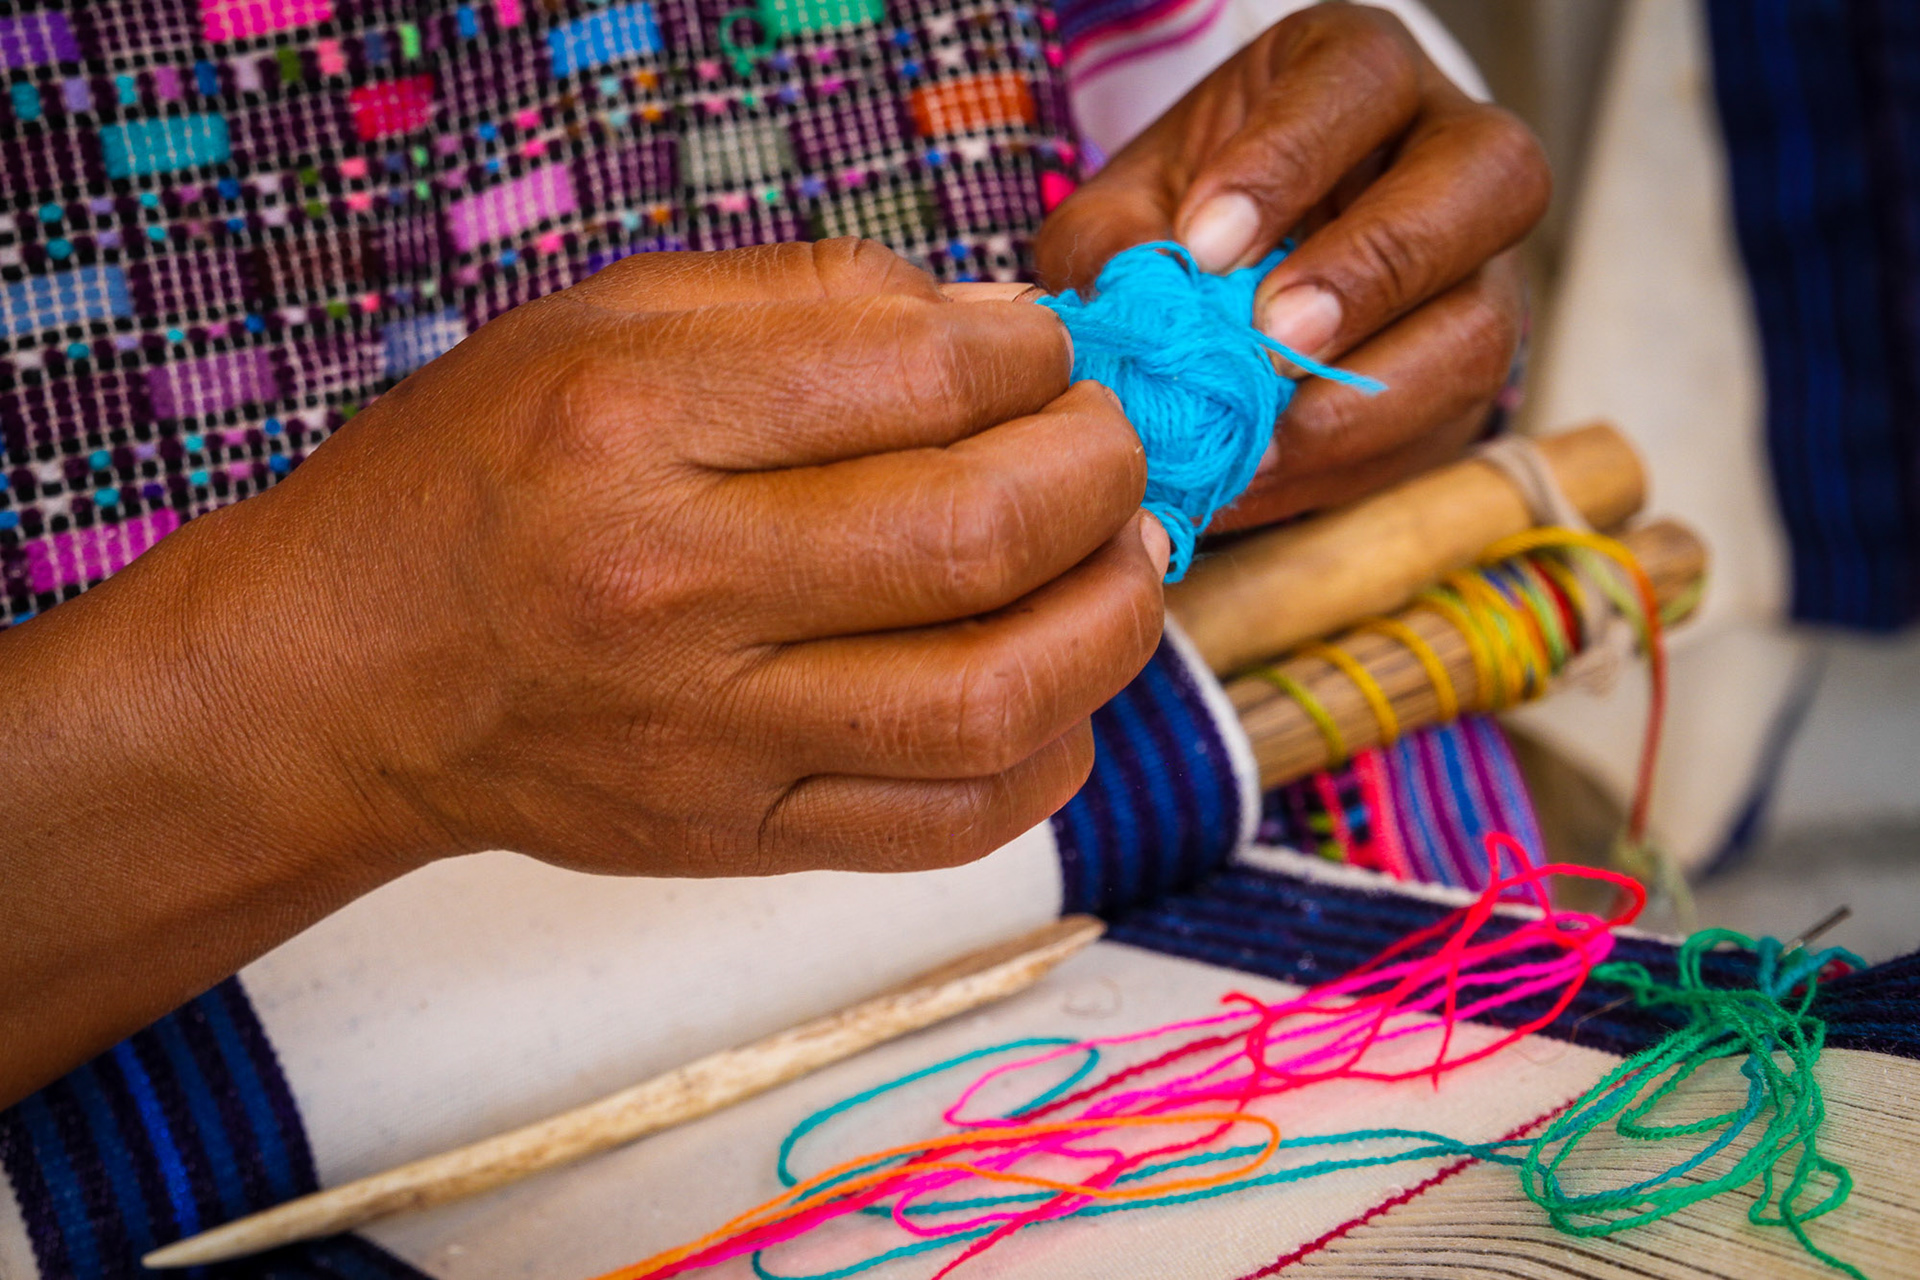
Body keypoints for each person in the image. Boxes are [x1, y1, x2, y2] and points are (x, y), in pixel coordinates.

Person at [0, 1, 1545, 1109]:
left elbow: (1242, 99)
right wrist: (332, 693)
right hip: (167, 1103)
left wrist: (1331, 246)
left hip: (1275, 901)